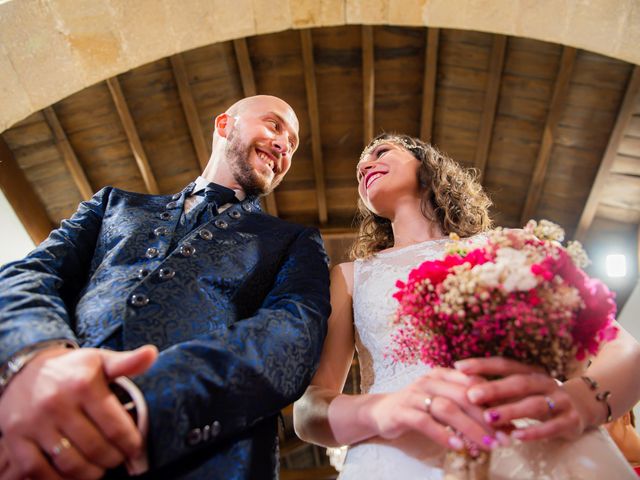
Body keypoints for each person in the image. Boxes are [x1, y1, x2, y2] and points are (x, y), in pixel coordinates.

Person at [0, 95, 330, 479]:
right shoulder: (112, 204)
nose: (283, 147)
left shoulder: (295, 240)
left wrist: (148, 401)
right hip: (38, 438)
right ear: (224, 125)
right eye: (275, 126)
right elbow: (30, 274)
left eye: (292, 145)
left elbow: (294, 335)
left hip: (207, 460)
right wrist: (35, 358)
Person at [293, 133, 640, 478]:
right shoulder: (351, 277)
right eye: (359, 170)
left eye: (381, 152)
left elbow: (622, 347)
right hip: (398, 456)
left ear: (427, 165)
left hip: (528, 442)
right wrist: (379, 411)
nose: (365, 166)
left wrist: (582, 401)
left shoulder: (508, 244)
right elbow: (308, 412)